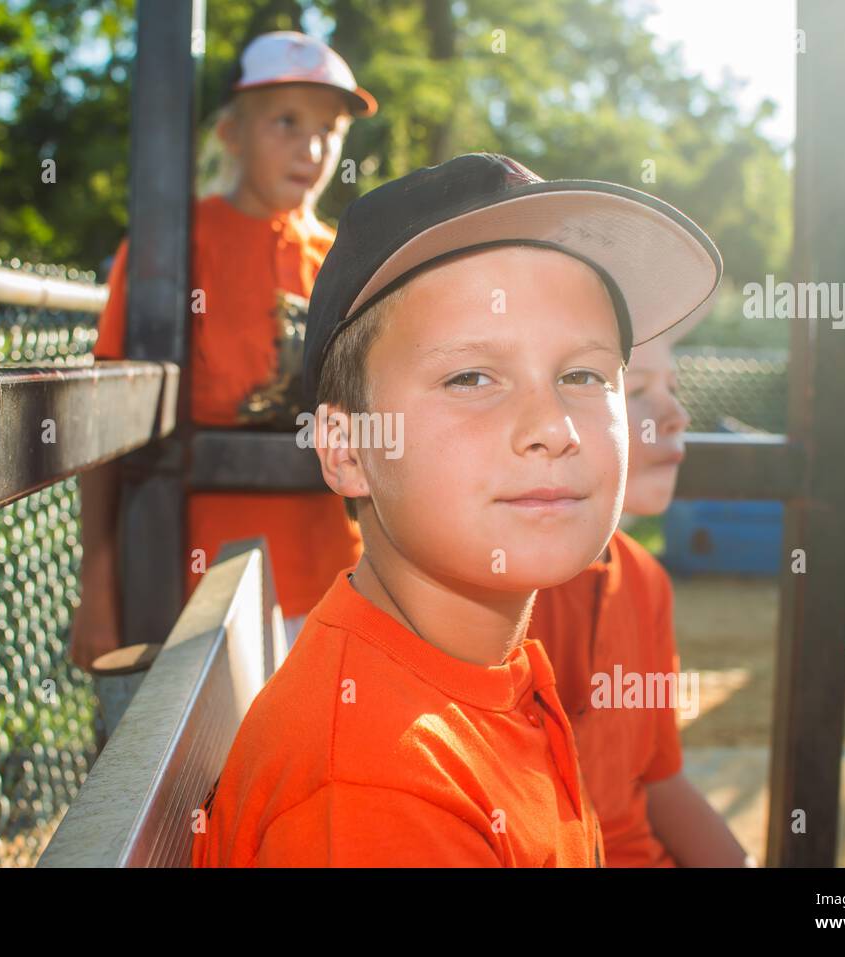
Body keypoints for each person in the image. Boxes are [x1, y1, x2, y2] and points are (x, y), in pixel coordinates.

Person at [191, 151, 722, 866]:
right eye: (471, 375)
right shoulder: (378, 793)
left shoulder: (484, 670)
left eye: (583, 373)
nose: (553, 425)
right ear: (346, 448)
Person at [70, 32, 378, 670]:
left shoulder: (347, 261)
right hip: (199, 592)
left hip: (337, 583)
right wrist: (98, 592)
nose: (313, 147)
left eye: (329, 128)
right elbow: (105, 429)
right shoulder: (170, 246)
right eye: (285, 122)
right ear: (233, 134)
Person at [528, 309, 755, 867]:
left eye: (673, 389)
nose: (676, 415)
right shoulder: (498, 590)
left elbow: (660, 783)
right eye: (637, 391)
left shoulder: (646, 580)